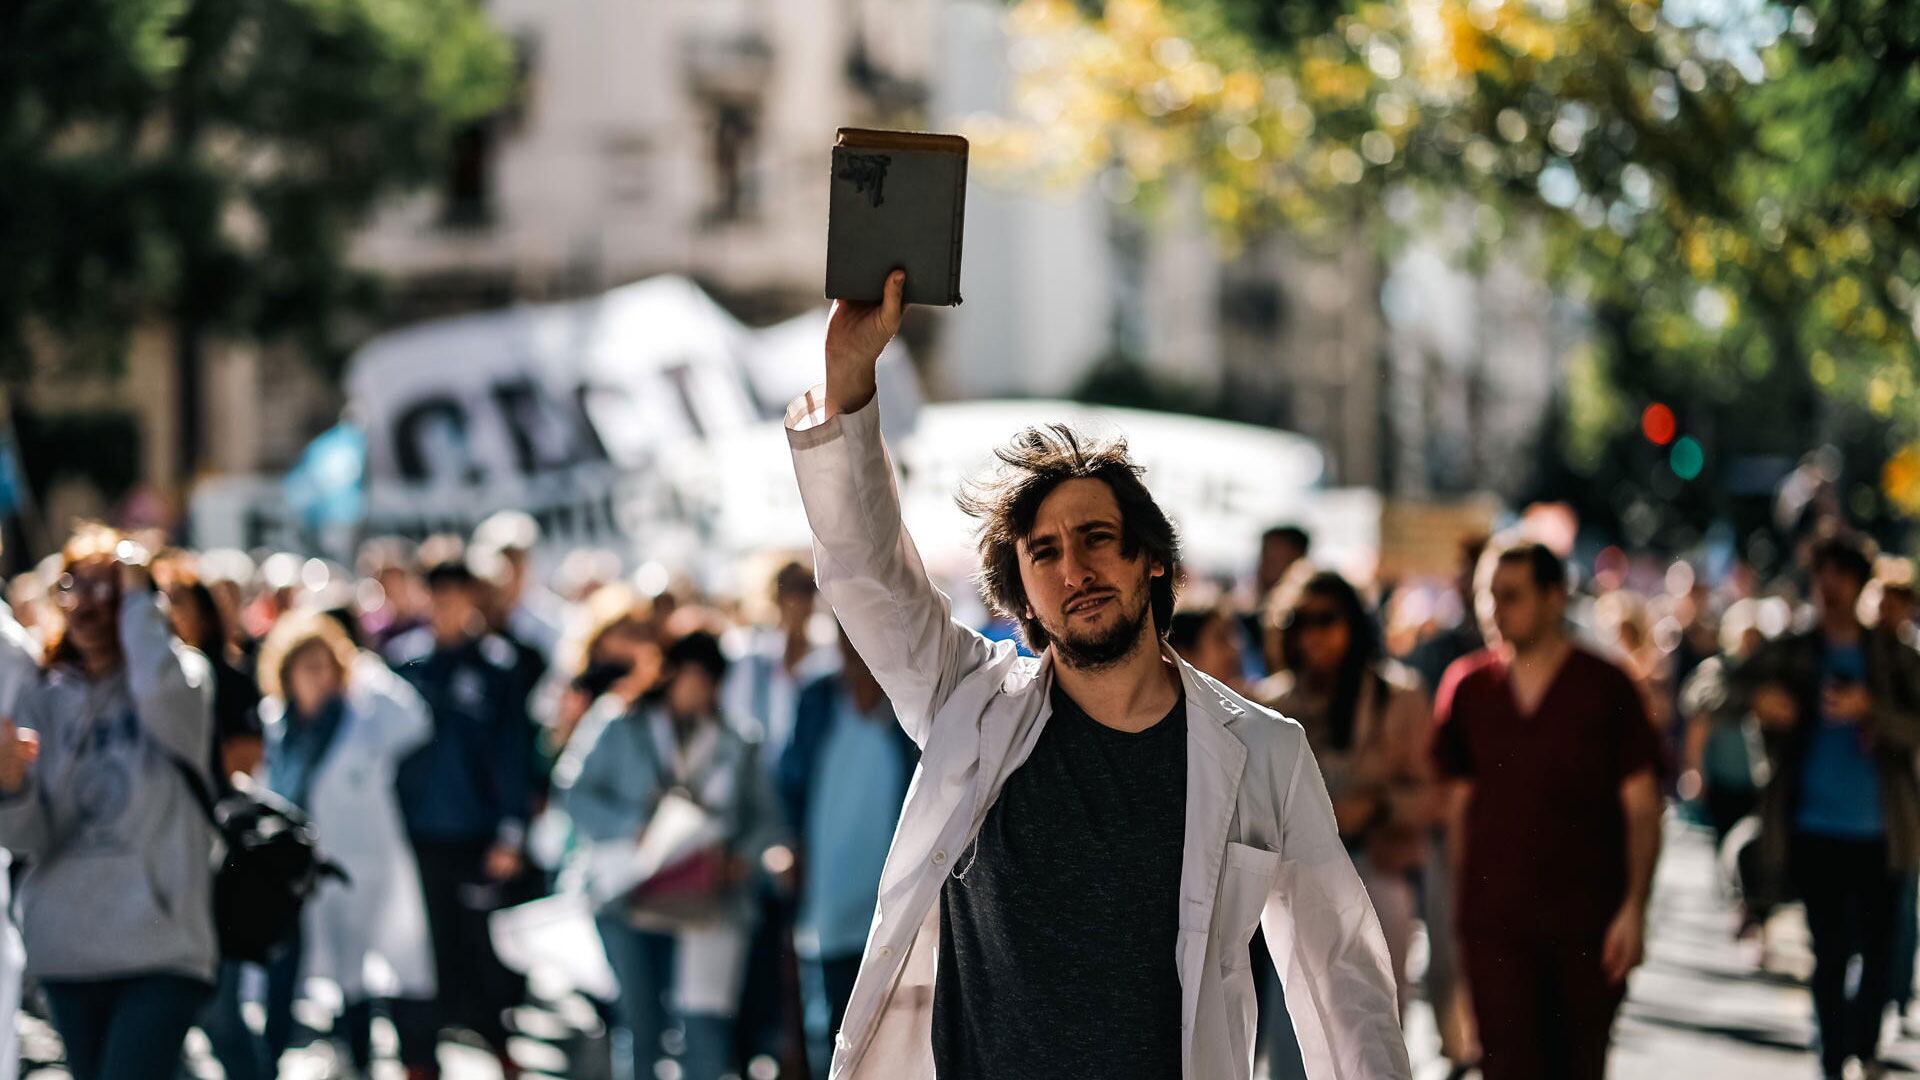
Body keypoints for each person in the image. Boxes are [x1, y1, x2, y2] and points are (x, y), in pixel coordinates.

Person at [783, 270, 1408, 1080]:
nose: (1074, 568)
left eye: (1098, 538)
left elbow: (1340, 976)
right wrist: (852, 380)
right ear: (1026, 598)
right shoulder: (968, 704)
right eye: (1044, 553)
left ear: (1152, 561)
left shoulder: (1263, 752)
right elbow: (869, 574)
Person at [1432, 540, 1663, 1080]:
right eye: (1488, 596)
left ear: (1555, 597)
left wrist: (1636, 907)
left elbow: (1643, 807)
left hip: (1587, 926)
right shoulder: (1467, 688)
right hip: (1496, 927)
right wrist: (1459, 921)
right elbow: (1456, 812)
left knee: (1578, 1068)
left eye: (1511, 596)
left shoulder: (1606, 688)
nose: (1493, 611)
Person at [0, 527, 217, 1080]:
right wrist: (10, 788)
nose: (89, 606)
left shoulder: (183, 679)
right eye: (75, 587)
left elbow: (159, 695)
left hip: (160, 949)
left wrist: (141, 593)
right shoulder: (40, 697)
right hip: (68, 952)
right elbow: (30, 839)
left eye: (109, 589)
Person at [555, 628, 782, 1080]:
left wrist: (741, 856)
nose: (701, 691)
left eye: (711, 681)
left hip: (705, 901)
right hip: (626, 894)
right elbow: (572, 792)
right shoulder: (620, 722)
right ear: (670, 674)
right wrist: (630, 827)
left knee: (702, 1025)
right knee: (640, 1024)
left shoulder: (738, 740)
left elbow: (767, 819)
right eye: (693, 678)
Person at [1745, 536, 1920, 1079]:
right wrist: (1761, 702)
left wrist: (1874, 712)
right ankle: (1832, 1057)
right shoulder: (1793, 650)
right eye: (1820, 574)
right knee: (1830, 949)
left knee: (1880, 952)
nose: (1828, 587)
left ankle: (1861, 1046)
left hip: (1881, 830)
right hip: (1812, 825)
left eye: (1839, 575)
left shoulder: (1893, 657)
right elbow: (1713, 687)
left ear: (1859, 582)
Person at [255, 609, 440, 1079]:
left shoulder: (366, 713)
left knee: (358, 974)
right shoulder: (278, 725)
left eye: (326, 665)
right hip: (297, 872)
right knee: (294, 975)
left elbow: (417, 720)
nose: (317, 677)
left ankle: (359, 1063)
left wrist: (366, 668)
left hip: (363, 864)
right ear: (287, 672)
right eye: (306, 666)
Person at [1255, 573, 1439, 1031]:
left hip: (1374, 869)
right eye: (1301, 621)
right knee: (1292, 1029)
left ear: (1353, 624)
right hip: (1292, 881)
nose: (1313, 634)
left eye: (1327, 619)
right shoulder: (1267, 703)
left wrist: (1376, 806)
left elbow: (1434, 795)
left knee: (1374, 1027)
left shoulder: (1398, 697)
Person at [391, 557, 534, 1079]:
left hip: (475, 837)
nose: (446, 605)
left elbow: (513, 753)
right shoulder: (403, 663)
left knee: (479, 946)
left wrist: (511, 832)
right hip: (416, 837)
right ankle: (420, 1059)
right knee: (420, 951)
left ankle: (500, 1046)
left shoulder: (497, 666)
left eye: (456, 594)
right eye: (438, 593)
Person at [777, 627, 917, 1073]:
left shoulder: (911, 699)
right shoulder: (817, 698)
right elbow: (789, 784)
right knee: (834, 1028)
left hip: (894, 898)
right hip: (829, 896)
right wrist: (788, 844)